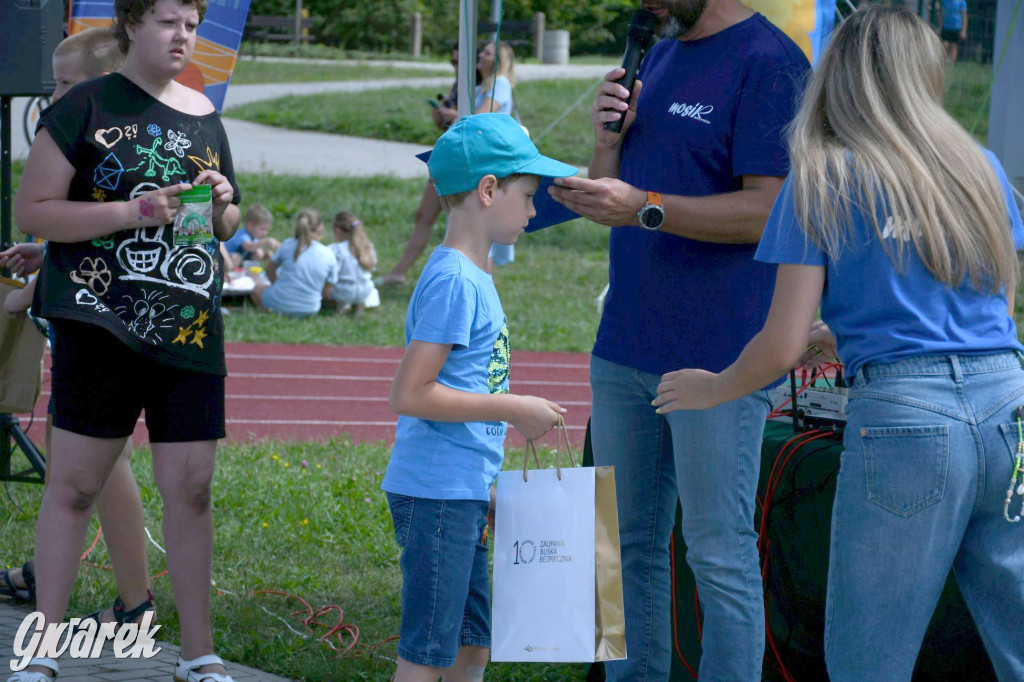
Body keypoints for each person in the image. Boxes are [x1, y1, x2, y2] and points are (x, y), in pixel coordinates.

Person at [653, 6, 1024, 680]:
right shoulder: (982, 168)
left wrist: (710, 387)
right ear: (924, 75)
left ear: (837, 76)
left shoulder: (821, 177)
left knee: (867, 658)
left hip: (907, 422)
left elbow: (779, 345)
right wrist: (847, 334)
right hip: (1009, 409)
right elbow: (994, 304)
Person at [547, 0, 810, 678]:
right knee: (628, 544)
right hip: (627, 342)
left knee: (717, 552)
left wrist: (648, 207)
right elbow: (618, 198)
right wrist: (606, 143)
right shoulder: (657, 54)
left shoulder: (771, 64)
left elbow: (771, 211)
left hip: (721, 353)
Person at [11, 0, 242, 679]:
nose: (183, 37)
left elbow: (213, 231)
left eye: (192, 25)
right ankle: (43, 650)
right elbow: (34, 210)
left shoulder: (204, 115)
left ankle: (198, 655)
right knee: (75, 486)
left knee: (192, 488)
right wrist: (134, 210)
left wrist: (222, 203)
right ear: (131, 26)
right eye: (169, 22)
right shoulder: (83, 106)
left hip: (188, 324)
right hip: (98, 322)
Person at [382, 113, 577, 682]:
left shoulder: (474, 276)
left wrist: (484, 481)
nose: (535, 210)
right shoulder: (455, 282)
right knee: (426, 654)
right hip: (437, 494)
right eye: (529, 195)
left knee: (472, 645)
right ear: (489, 191)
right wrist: (514, 407)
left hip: (459, 490)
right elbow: (411, 393)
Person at [0, 27, 155, 635]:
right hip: (92, 324)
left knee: (82, 470)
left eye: (65, 84)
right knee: (95, 466)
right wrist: (45, 257)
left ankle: (114, 604)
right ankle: (126, 597)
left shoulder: (110, 145)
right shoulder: (99, 136)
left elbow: (115, 242)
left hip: (102, 329)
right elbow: (89, 233)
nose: (54, 97)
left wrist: (33, 293)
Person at [377, 46, 460, 287]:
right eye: (451, 61)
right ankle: (399, 272)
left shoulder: (485, 87)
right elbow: (450, 125)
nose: (455, 66)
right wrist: (441, 117)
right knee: (424, 214)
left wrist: (453, 114)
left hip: (465, 164)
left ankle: (472, 280)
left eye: (459, 62)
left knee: (465, 224)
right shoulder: (458, 84)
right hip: (447, 158)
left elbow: (478, 120)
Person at [475, 40, 520, 271]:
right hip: (480, 162)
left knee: (482, 236)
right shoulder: (481, 87)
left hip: (489, 164)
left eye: (488, 52)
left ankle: (484, 293)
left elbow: (479, 117)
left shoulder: (499, 84)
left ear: (499, 61)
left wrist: (455, 117)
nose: (480, 55)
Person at [251, 208, 338, 317]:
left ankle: (268, 310)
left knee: (257, 289)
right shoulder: (328, 254)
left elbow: (269, 269)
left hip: (279, 303)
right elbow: (327, 290)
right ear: (320, 231)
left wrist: (276, 284)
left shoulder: (288, 244)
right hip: (310, 309)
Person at [326, 210, 378, 314]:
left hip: (343, 292)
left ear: (337, 230)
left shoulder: (335, 249)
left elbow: (331, 274)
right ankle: (360, 304)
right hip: (365, 291)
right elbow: (372, 268)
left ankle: (343, 305)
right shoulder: (367, 247)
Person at [221, 203, 279, 268]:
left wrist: (265, 256)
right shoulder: (242, 235)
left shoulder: (253, 238)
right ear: (250, 226)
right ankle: (230, 274)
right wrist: (266, 241)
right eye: (262, 229)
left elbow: (255, 251)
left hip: (238, 260)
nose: (265, 233)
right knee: (236, 257)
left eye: (266, 229)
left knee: (259, 252)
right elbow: (249, 246)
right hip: (223, 259)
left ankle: (249, 272)